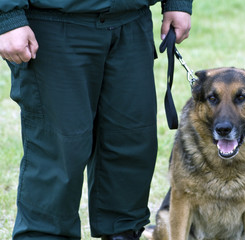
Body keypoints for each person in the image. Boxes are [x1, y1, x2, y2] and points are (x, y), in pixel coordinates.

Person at [0, 0, 192, 239]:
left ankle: (123, 233)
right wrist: (7, 17)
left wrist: (178, 2)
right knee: (60, 153)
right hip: (55, 22)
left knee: (131, 142)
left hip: (131, 21)